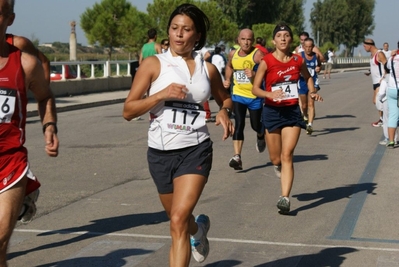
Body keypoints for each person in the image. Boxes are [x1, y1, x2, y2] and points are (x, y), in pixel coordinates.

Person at [123, 3, 234, 266]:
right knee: (181, 219)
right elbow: (128, 110)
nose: (179, 34)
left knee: (176, 222)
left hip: (195, 148)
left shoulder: (207, 69)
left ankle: (191, 232)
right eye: (174, 28)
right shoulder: (153, 64)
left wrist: (224, 112)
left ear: (197, 36)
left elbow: (224, 99)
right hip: (160, 154)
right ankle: (199, 231)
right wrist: (161, 94)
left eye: (186, 29)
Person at [0, 0, 59, 265]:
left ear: (9, 18)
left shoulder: (24, 63)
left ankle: (24, 192)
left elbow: (45, 96)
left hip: (10, 162)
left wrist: (49, 126)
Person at [252, 22, 322, 215]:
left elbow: (308, 77)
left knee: (287, 155)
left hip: (291, 112)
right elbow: (255, 88)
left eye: (286, 35)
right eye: (279, 35)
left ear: (291, 39)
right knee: (275, 158)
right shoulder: (267, 61)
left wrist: (313, 91)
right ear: (274, 40)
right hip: (272, 112)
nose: (283, 38)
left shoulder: (297, 60)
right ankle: (276, 166)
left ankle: (284, 198)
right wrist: (269, 95)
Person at [223, 28, 266, 170]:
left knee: (255, 125)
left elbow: (267, 71)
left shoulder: (257, 54)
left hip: (254, 96)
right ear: (238, 40)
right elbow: (229, 66)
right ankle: (237, 156)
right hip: (238, 94)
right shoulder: (233, 54)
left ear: (253, 41)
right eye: (243, 39)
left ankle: (260, 134)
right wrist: (228, 78)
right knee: (239, 123)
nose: (246, 42)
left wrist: (255, 73)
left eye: (249, 39)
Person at [298, 37, 322, 135]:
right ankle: (305, 116)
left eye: (310, 47)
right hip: (302, 82)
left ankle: (310, 125)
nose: (308, 49)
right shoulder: (299, 56)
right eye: (306, 47)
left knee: (311, 104)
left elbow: (319, 65)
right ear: (303, 47)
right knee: (304, 105)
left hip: (313, 82)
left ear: (313, 47)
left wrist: (319, 68)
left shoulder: (316, 56)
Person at [364, 38, 389, 130]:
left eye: (364, 46)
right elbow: (376, 66)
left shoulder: (379, 54)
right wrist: (370, 72)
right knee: (375, 101)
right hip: (374, 82)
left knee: (379, 102)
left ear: (369, 45)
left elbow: (387, 66)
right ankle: (383, 119)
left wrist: (384, 77)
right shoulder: (372, 55)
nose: (364, 48)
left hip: (380, 82)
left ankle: (384, 120)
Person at [384, 42, 399, 148]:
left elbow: (387, 67)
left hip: (393, 88)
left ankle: (391, 141)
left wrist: (391, 55)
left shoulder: (393, 58)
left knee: (393, 115)